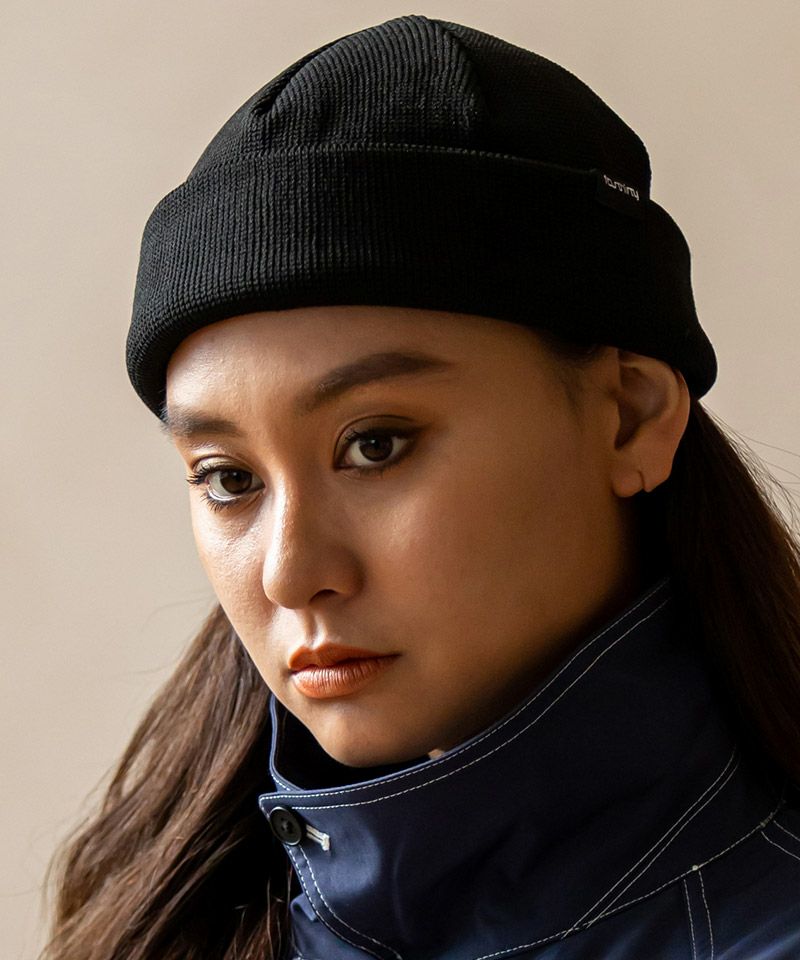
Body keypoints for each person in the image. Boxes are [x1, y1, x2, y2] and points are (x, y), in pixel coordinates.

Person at [41, 14, 800, 960]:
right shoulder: (164, 917)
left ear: (630, 417)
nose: (289, 573)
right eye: (229, 478)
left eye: (375, 446)